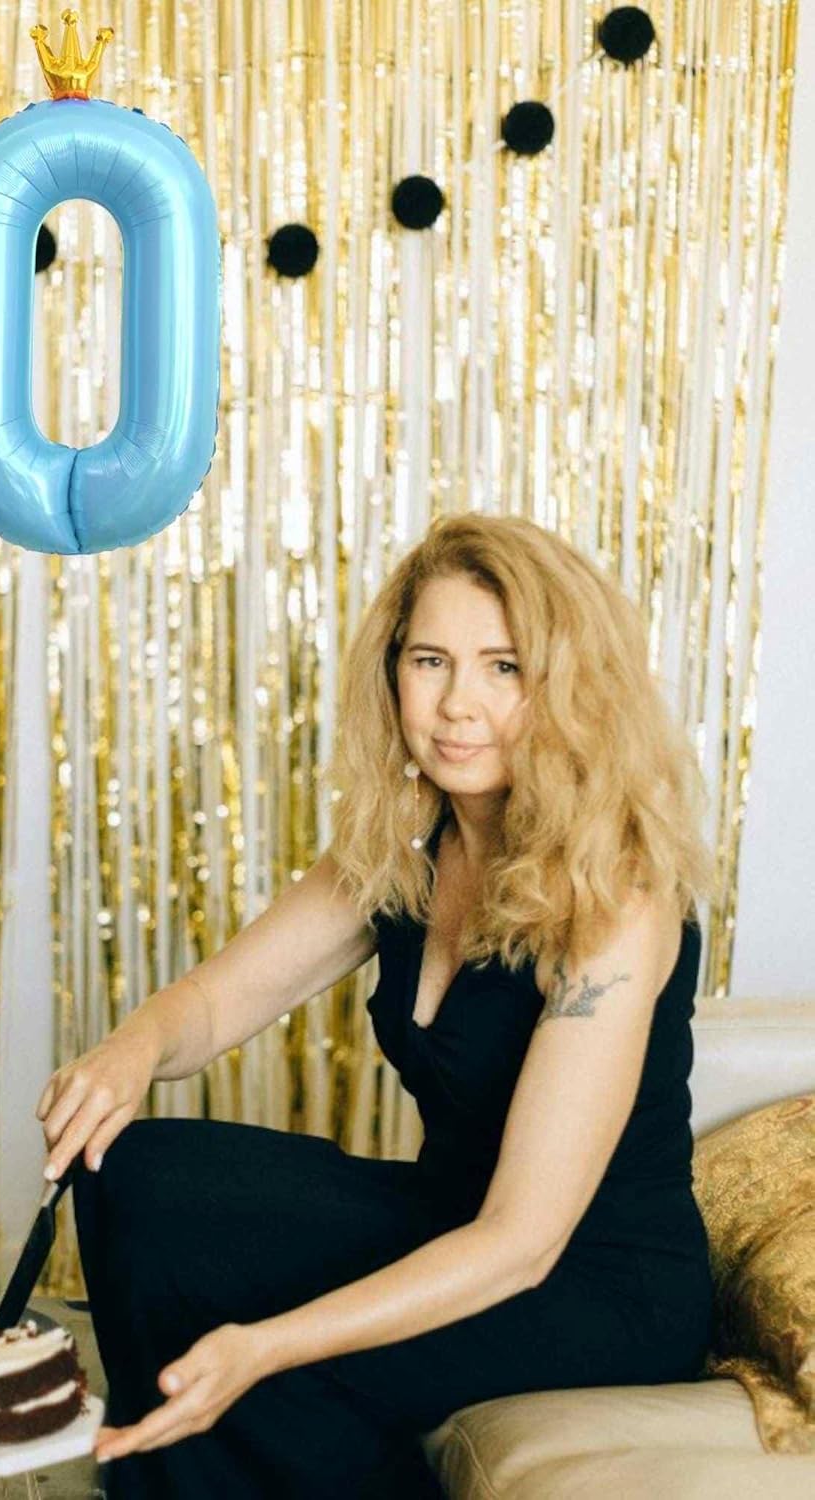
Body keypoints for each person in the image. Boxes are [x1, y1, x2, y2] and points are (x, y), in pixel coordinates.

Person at [36, 514, 715, 1498]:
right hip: (449, 1214)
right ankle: (168, 1469)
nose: (457, 705)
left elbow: (521, 1242)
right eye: (430, 661)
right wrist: (129, 1051)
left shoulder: (617, 892)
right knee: (132, 1173)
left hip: (592, 1282)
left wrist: (266, 1344)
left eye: (504, 668)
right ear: (393, 674)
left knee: (269, 1383)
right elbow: (215, 1005)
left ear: (569, 684)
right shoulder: (407, 849)